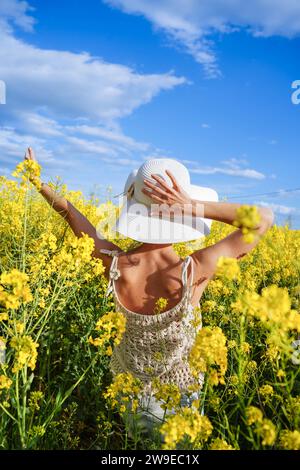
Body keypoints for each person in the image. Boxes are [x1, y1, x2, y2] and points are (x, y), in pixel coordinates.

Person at [22, 147, 274, 441]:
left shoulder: (116, 265)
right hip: (179, 402)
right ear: (179, 216)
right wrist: (191, 204)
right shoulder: (193, 272)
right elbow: (262, 219)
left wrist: (39, 184)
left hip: (128, 397)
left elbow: (72, 216)